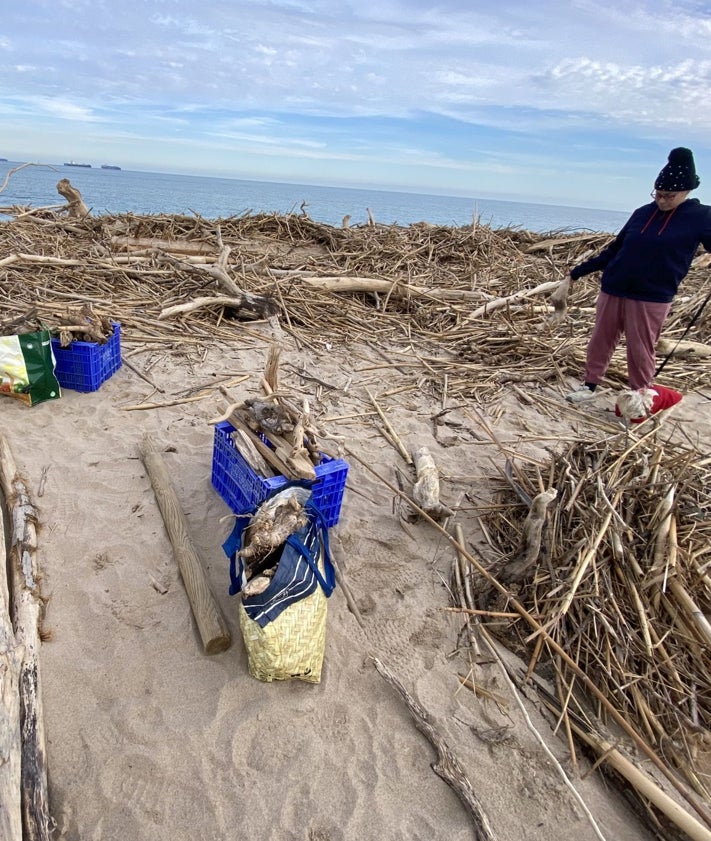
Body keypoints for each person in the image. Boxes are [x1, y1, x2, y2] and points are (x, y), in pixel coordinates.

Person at [565, 147, 711, 408]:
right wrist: (577, 273)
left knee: (640, 348)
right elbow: (615, 249)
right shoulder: (643, 212)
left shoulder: (702, 217)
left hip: (652, 295)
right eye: (658, 193)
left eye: (669, 196)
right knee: (601, 338)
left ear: (687, 191)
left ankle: (641, 396)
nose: (662, 200)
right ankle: (590, 384)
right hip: (614, 286)